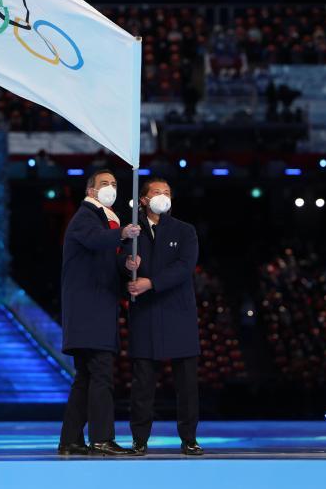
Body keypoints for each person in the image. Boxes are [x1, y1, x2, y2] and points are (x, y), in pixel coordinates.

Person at [57, 169, 141, 456]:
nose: (111, 188)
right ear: (91, 191)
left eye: (115, 184)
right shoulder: (86, 218)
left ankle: (70, 440)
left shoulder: (102, 222)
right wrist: (123, 233)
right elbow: (95, 241)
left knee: (86, 378)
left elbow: (103, 261)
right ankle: (102, 438)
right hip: (88, 312)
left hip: (92, 311)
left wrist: (125, 267)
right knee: (101, 374)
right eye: (104, 184)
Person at [123, 178, 202, 456]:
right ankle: (139, 440)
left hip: (177, 313)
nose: (163, 196)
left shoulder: (184, 231)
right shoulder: (131, 233)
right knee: (143, 383)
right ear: (143, 200)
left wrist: (151, 282)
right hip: (145, 314)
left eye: (167, 192)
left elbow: (184, 267)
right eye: (157, 192)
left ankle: (189, 439)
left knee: (187, 385)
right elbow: (118, 267)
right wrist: (127, 266)